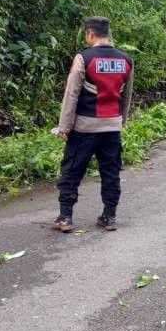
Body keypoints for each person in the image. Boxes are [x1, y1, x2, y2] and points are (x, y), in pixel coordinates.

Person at [53, 17, 134, 233]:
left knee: (71, 171)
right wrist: (121, 121)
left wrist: (64, 126)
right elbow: (126, 96)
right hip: (112, 127)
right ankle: (109, 216)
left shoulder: (84, 58)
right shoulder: (126, 60)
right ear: (108, 33)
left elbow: (71, 94)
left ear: (90, 33)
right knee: (111, 172)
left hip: (85, 128)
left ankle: (65, 217)